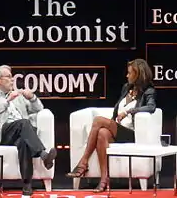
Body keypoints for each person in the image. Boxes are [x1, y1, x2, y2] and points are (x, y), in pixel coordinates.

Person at [66, 58, 156, 192]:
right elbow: (117, 111)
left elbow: (151, 107)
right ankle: (104, 180)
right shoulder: (126, 88)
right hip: (117, 129)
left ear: (138, 74)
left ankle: (83, 162)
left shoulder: (149, 91)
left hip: (130, 133)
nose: (127, 76)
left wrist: (129, 111)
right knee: (102, 133)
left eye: (130, 73)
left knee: (98, 120)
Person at [0, 65, 57, 198]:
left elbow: (39, 109)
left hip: (22, 132)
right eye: (8, 77)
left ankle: (27, 186)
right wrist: (7, 101)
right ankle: (43, 154)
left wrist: (32, 97)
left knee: (23, 142)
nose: (13, 80)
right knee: (24, 123)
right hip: (3, 132)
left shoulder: (19, 96)